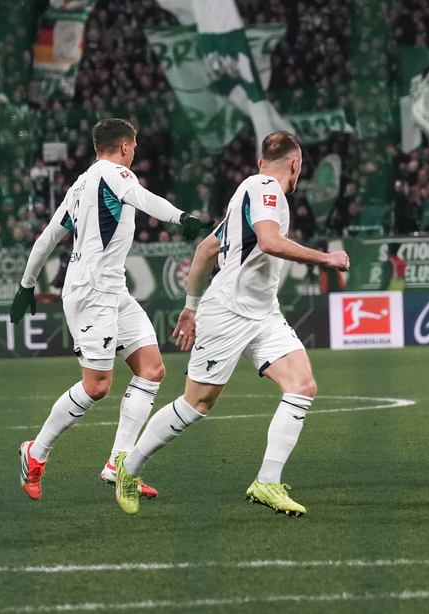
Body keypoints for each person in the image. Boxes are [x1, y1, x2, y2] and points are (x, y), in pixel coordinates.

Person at [114, 132, 350, 516]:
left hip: (262, 313)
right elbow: (270, 242)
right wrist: (326, 259)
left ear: (261, 161)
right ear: (296, 165)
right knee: (197, 404)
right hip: (228, 313)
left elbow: (207, 249)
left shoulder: (251, 192)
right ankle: (129, 467)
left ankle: (267, 483)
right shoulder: (266, 189)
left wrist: (190, 306)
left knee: (302, 386)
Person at [12, 118, 211, 501]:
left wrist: (26, 285)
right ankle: (35, 454)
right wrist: (180, 216)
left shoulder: (80, 184)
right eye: (133, 147)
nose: (134, 154)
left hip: (111, 289)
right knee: (96, 386)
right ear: (123, 147)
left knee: (152, 369)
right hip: (91, 293)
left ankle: (117, 463)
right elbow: (142, 198)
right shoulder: (114, 173)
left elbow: (47, 237)